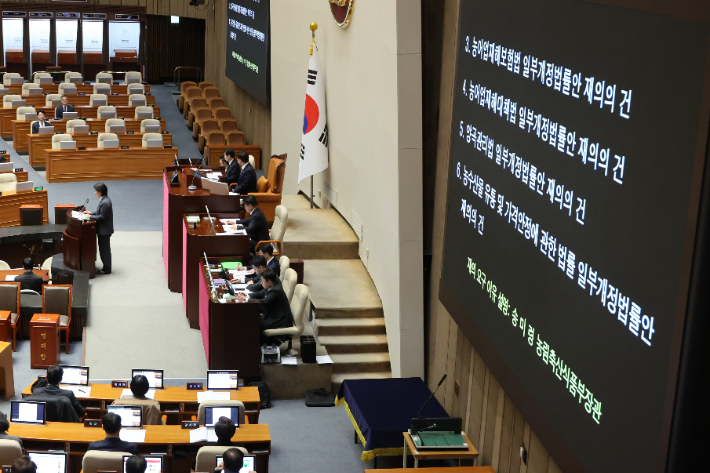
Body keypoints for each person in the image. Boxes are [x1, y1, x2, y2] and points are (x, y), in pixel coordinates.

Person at [237, 269, 293, 339]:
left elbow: (262, 303)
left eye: (262, 281)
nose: (261, 283)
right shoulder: (271, 285)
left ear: (269, 282)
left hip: (279, 320)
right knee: (250, 319)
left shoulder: (276, 291)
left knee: (253, 323)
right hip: (272, 314)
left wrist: (246, 299)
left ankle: (257, 345)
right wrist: (245, 295)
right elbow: (259, 294)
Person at [84, 182, 113, 275]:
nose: (94, 192)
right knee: (104, 250)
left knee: (104, 251)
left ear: (100, 192)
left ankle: (107, 269)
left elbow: (102, 217)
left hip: (104, 231)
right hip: (103, 230)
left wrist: (89, 217)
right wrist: (91, 213)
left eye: (95, 191)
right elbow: (99, 212)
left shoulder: (105, 203)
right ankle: (106, 267)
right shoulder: (104, 200)